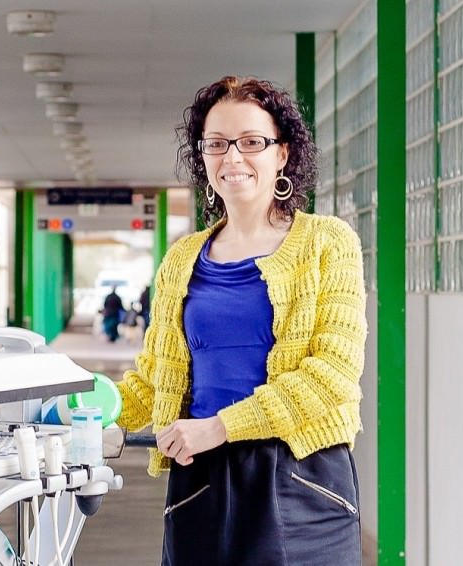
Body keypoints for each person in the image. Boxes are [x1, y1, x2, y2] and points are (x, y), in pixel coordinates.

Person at [115, 75, 367, 565]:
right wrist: (84, 412)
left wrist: (219, 427)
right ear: (202, 156)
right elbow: (155, 378)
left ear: (283, 153)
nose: (233, 157)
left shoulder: (327, 243)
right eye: (217, 143)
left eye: (252, 142)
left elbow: (331, 375)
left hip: (301, 477)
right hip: (201, 475)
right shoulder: (183, 256)